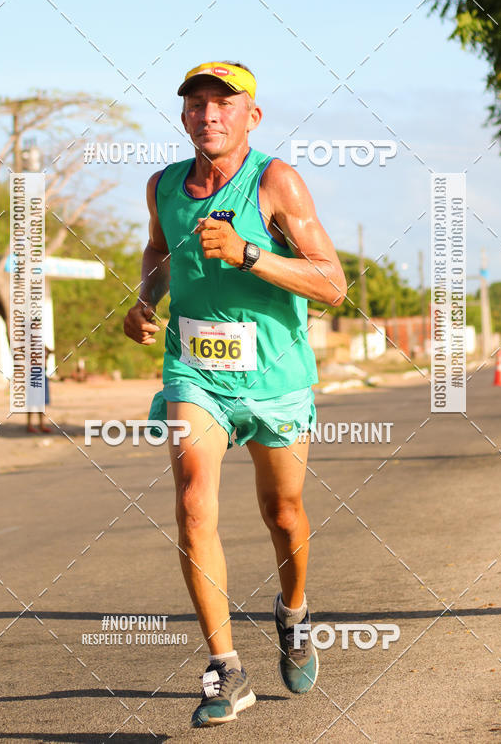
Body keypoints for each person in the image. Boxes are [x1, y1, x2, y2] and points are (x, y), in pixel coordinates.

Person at [123, 61, 346, 727]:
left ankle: (295, 611)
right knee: (194, 505)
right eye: (196, 103)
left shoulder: (276, 181)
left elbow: (332, 284)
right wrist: (143, 300)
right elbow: (160, 251)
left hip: (276, 379)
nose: (209, 113)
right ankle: (225, 669)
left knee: (284, 513)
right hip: (196, 375)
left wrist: (249, 253)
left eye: (225, 103)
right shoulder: (162, 186)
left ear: (252, 116)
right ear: (184, 116)